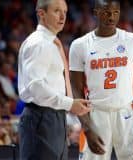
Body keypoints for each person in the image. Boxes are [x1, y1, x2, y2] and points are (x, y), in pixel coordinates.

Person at [69, 0, 133, 159]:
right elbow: (75, 88)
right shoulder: (79, 45)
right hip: (96, 113)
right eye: (106, 12)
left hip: (126, 113)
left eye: (115, 12)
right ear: (96, 13)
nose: (111, 17)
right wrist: (86, 127)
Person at [17, 0, 91, 159]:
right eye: (57, 11)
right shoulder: (39, 44)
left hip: (55, 117)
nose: (63, 16)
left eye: (65, 11)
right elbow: (35, 87)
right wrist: (70, 104)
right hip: (40, 116)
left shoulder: (52, 43)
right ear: (41, 14)